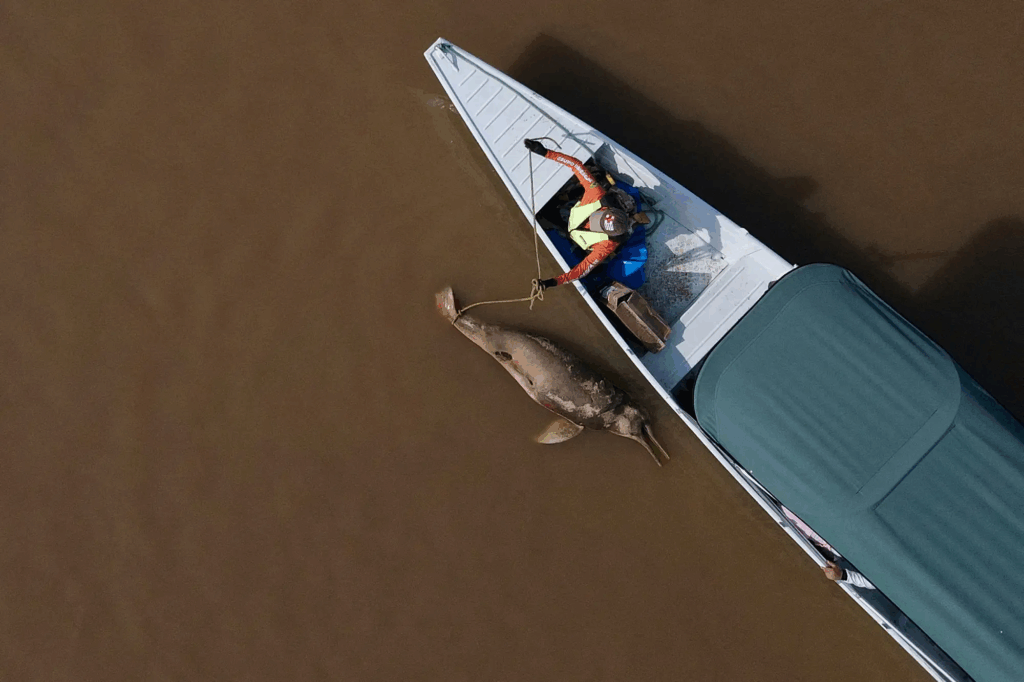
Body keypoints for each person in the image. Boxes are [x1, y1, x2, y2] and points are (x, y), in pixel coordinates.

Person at [524, 139, 637, 290]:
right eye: (598, 218)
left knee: (595, 267)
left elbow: (582, 270)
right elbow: (576, 165)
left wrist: (552, 282)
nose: (592, 222)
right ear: (605, 210)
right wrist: (545, 152)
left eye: (598, 226)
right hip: (571, 218)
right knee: (557, 207)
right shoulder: (596, 194)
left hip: (578, 238)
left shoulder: (608, 244)